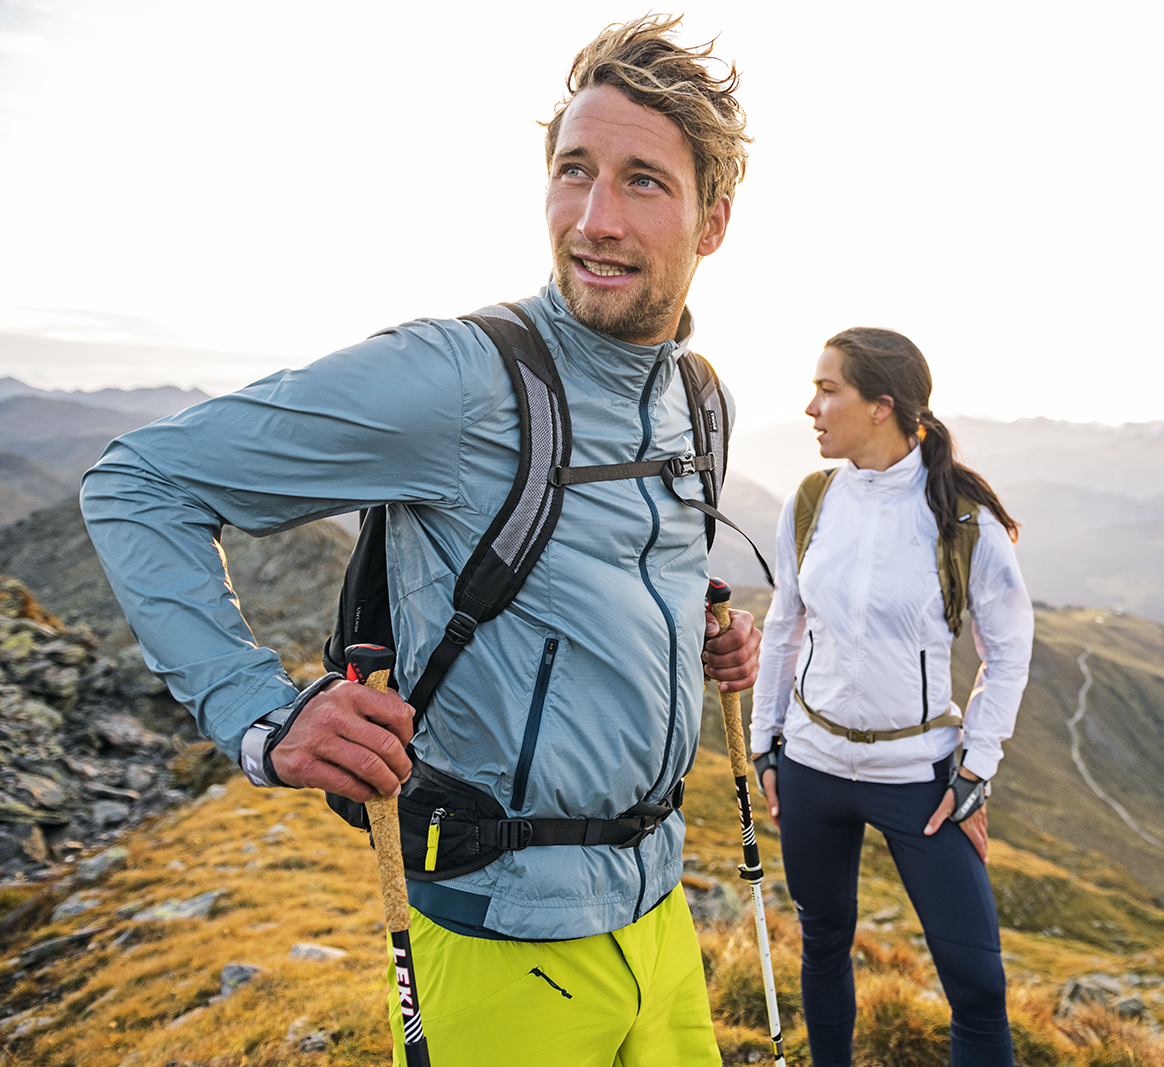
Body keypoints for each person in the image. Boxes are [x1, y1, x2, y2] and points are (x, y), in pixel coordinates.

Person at [80, 16, 759, 1067]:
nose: (593, 219)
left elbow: (598, 590)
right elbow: (140, 482)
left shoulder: (696, 399)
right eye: (572, 172)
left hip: (663, 923)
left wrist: (698, 641)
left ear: (711, 222)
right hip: (499, 943)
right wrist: (259, 710)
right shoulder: (457, 379)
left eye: (642, 181)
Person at [749, 328, 1033, 1066]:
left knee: (976, 985)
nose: (811, 407)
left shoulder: (962, 517)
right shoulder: (811, 500)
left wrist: (975, 768)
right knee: (823, 944)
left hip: (919, 779)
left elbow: (1008, 650)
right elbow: (785, 624)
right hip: (810, 763)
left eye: (828, 389)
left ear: (882, 405)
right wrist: (763, 739)